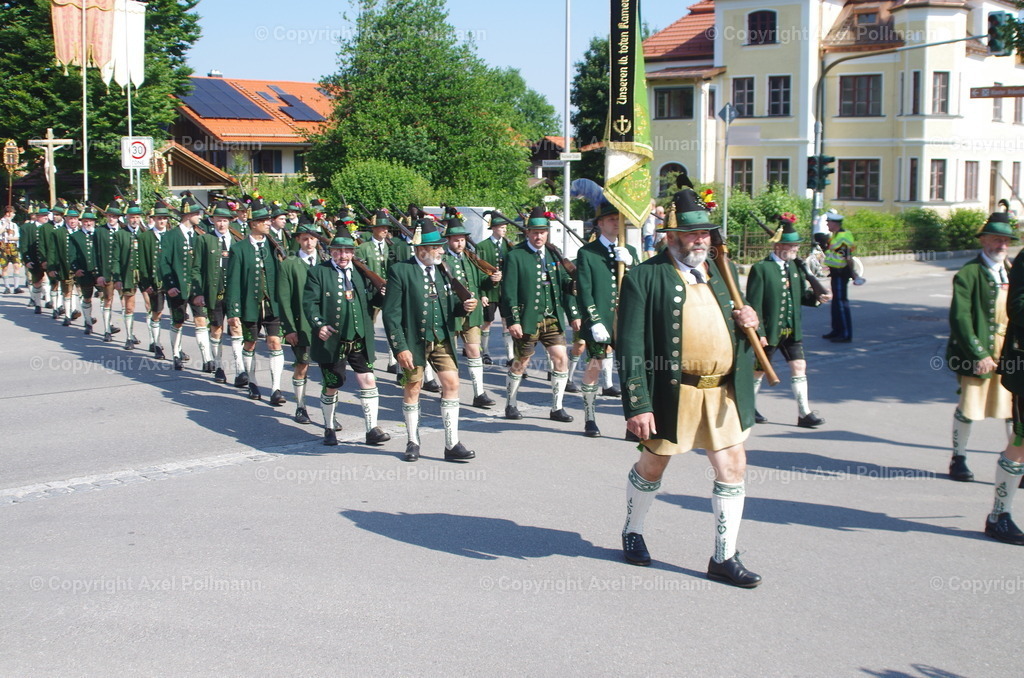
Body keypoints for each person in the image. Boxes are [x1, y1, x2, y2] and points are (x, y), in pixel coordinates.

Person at [615, 188, 762, 588]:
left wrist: (750, 321)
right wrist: (638, 404)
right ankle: (633, 529)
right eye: (692, 234)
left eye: (706, 234)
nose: (701, 240)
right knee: (653, 465)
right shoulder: (645, 277)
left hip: (721, 394)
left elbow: (743, 330)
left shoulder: (722, 274)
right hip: (671, 393)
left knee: (733, 467)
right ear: (671, 236)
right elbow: (629, 345)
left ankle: (724, 556)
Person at [382, 218, 478, 462]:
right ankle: (413, 441)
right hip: (413, 341)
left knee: (452, 384)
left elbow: (451, 306)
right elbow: (391, 314)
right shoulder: (400, 271)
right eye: (436, 247)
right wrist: (399, 347)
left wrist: (464, 307)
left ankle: (452, 443)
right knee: (412, 388)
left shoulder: (445, 270)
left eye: (440, 247)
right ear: (421, 250)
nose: (441, 251)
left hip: (442, 338)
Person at [945, 213, 1017, 482]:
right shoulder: (969, 273)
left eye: (1006, 240)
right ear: (984, 240)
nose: (1002, 245)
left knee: (1014, 408)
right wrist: (979, 353)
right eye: (997, 239)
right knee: (969, 406)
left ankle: (1017, 464)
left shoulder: (1011, 271)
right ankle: (958, 457)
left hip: (1008, 349)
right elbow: (960, 318)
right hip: (976, 350)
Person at [303, 233, 390, 446]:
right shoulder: (318, 273)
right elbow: (309, 303)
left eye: (348, 251)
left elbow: (371, 302)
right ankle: (329, 426)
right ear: (331, 252)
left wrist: (382, 293)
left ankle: (372, 429)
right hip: (333, 339)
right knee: (333, 384)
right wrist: (319, 324)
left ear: (353, 253)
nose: (343, 256)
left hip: (359, 336)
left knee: (368, 380)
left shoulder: (361, 274)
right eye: (339, 251)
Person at [745, 214, 831, 428]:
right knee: (759, 370)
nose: (795, 249)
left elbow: (801, 296)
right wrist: (759, 332)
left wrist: (818, 298)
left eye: (796, 245)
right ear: (779, 246)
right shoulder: (761, 269)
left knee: (799, 366)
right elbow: (753, 305)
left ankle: (804, 413)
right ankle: (748, 407)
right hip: (770, 331)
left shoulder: (795, 268)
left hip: (792, 330)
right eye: (791, 245)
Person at [500, 207, 581, 422]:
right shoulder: (515, 256)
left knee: (561, 358)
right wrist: (513, 321)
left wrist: (575, 292)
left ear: (547, 233)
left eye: (542, 232)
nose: (539, 236)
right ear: (527, 233)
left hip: (552, 317)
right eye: (535, 232)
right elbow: (508, 292)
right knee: (522, 362)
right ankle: (511, 403)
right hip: (527, 319)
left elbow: (564, 283)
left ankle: (557, 407)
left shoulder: (554, 253)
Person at [574, 200, 639, 436]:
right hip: (600, 320)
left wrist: (631, 266)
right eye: (611, 219)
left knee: (632, 371)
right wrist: (594, 319)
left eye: (619, 219)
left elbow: (639, 286)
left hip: (626, 321)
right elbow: (584, 289)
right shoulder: (587, 253)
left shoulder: (629, 251)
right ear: (600, 223)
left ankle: (632, 423)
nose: (616, 223)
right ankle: (590, 418)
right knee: (594, 367)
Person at [226, 197, 286, 404]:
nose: (269, 223)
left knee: (274, 342)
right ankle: (252, 381)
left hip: (272, 305)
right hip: (250, 305)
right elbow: (233, 281)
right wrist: (233, 311)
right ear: (253, 224)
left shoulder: (274, 246)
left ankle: (276, 389)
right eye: (265, 221)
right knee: (250, 344)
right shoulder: (239, 249)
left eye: (269, 220)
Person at [442, 212, 500, 409]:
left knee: (474, 350)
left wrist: (491, 282)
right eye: (456, 240)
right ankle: (447, 389)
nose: (460, 243)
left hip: (472, 312)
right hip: (450, 313)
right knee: (447, 354)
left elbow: (478, 282)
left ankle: (479, 393)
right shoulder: (440, 260)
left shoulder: (470, 259)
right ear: (448, 240)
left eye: (462, 240)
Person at [277, 224, 320, 424]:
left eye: (312, 238)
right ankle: (301, 406)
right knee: (302, 365)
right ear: (298, 240)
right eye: (304, 238)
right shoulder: (289, 264)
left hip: (327, 327)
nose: (309, 242)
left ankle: (330, 413)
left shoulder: (327, 261)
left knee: (330, 369)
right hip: (302, 325)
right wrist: (289, 329)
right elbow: (283, 299)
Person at [160, 197, 208, 371]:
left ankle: (207, 358)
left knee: (201, 320)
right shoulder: (170, 236)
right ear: (188, 215)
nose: (199, 217)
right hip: (178, 286)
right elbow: (164, 263)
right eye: (196, 213)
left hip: (197, 287)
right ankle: (175, 354)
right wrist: (170, 285)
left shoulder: (199, 235)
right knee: (178, 321)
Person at [475, 212, 515, 366]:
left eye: (505, 228)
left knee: (507, 322)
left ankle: (510, 356)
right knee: (487, 322)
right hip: (489, 291)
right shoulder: (482, 246)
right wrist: (482, 294)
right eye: (501, 227)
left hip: (504, 291)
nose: (504, 230)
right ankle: (485, 352)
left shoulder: (509, 246)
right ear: (494, 228)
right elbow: (479, 271)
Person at [138, 200, 170, 359]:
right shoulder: (145, 237)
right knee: (157, 312)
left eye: (164, 218)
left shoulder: (172, 235)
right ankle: (156, 343)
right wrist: (146, 284)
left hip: (171, 281)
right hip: (154, 281)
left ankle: (176, 348)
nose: (162, 221)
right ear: (154, 219)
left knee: (176, 315)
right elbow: (142, 261)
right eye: (159, 218)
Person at [112, 201, 145, 350]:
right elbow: (116, 258)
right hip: (127, 275)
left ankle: (153, 340)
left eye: (137, 217)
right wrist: (117, 277)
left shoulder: (145, 234)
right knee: (129, 307)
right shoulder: (120, 235)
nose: (134, 220)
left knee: (151, 305)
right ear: (126, 218)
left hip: (144, 275)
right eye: (132, 217)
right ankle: (129, 336)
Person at [46, 202, 81, 328]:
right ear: (65, 218)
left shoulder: (82, 232)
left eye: (75, 218)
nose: (73, 221)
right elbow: (52, 251)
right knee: (67, 290)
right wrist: (51, 267)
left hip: (81, 267)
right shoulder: (58, 232)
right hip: (65, 266)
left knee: (80, 291)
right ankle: (67, 315)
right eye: (70, 218)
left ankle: (77, 311)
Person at [822, 212, 855, 343]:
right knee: (836, 303)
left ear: (835, 224)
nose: (827, 224)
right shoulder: (836, 235)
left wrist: (853, 273)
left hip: (842, 273)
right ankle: (836, 330)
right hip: (835, 273)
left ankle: (845, 334)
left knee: (841, 304)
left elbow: (847, 257)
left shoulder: (843, 237)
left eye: (828, 222)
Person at [19, 203, 50, 314]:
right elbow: (23, 246)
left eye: (46, 215)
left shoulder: (50, 227)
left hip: (48, 259)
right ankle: (37, 304)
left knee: (52, 281)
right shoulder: (27, 228)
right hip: (34, 259)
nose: (46, 217)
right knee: (37, 282)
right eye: (43, 215)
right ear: (37, 216)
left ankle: (50, 301)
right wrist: (27, 260)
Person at [1, 204, 25, 294]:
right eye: (12, 213)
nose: (14, 214)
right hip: (3, 246)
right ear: (7, 213)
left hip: (13, 246)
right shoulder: (1, 222)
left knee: (16, 265)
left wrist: (12, 238)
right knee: (5, 267)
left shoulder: (14, 225)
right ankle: (7, 287)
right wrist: (5, 224)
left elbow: (18, 237)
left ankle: (16, 286)